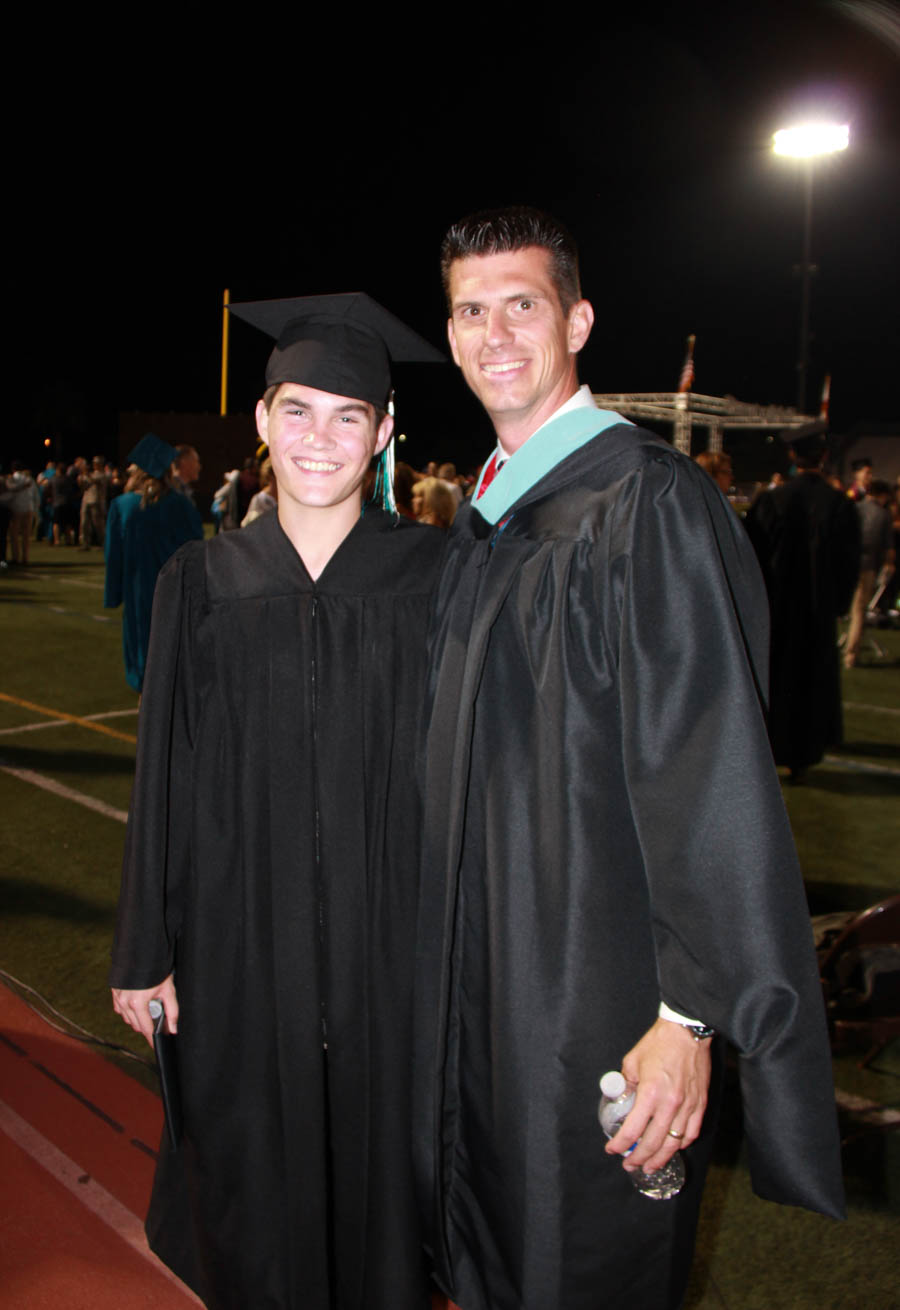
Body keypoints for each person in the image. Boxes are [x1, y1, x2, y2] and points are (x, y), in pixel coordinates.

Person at [413, 206, 845, 1310]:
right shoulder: (491, 517)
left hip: (593, 1002)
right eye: (472, 310)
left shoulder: (644, 504)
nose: (495, 332)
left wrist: (687, 1017)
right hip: (487, 985)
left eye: (524, 304)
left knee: (580, 1264)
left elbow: (709, 776)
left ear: (579, 320)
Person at [110, 293, 445, 1310]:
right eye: (298, 410)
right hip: (236, 937)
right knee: (248, 1185)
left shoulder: (435, 577)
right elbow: (162, 764)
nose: (320, 438)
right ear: (261, 420)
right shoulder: (200, 581)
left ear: (386, 433)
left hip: (387, 941)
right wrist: (143, 949)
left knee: (379, 1183)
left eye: (351, 416)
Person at [745, 427, 860, 779]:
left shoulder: (772, 501)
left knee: (776, 678)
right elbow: (848, 562)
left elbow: (753, 556)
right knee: (813, 681)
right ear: (823, 458)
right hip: (817, 609)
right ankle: (803, 756)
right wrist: (837, 604)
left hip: (777, 608)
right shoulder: (839, 505)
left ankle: (769, 749)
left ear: (793, 457)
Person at [104, 433, 204, 692]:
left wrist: (113, 594)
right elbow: (197, 552)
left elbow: (113, 556)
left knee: (142, 660)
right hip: (174, 594)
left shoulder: (122, 506)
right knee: (173, 662)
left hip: (138, 593)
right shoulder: (181, 505)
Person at [842, 478, 895, 667]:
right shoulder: (883, 514)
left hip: (849, 563)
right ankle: (851, 654)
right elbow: (888, 546)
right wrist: (889, 564)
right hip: (868, 567)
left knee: (852, 609)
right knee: (859, 612)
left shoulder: (855, 508)